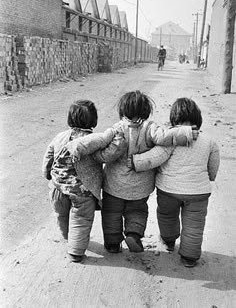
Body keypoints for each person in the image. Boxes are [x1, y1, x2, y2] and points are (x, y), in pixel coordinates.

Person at [98, 91, 198, 254]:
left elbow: (104, 146)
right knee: (137, 211)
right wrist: (186, 133)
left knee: (111, 213)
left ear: (123, 110)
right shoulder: (150, 127)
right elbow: (165, 137)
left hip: (114, 185)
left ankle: (112, 243)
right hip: (140, 187)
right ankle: (133, 234)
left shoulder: (117, 128)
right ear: (146, 110)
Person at [130, 97, 220, 267]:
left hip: (169, 191)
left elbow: (154, 158)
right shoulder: (209, 141)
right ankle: (189, 257)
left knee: (167, 216)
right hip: (198, 193)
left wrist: (135, 162)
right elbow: (213, 166)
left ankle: (169, 241)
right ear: (197, 119)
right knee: (194, 225)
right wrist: (210, 177)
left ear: (174, 118)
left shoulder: (171, 139)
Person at [42, 100, 126, 262]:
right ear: (93, 120)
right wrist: (119, 143)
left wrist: (47, 174)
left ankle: (68, 237)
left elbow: (48, 158)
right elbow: (107, 155)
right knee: (81, 219)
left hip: (58, 188)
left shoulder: (60, 137)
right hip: (83, 191)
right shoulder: (93, 140)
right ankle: (75, 250)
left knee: (62, 215)